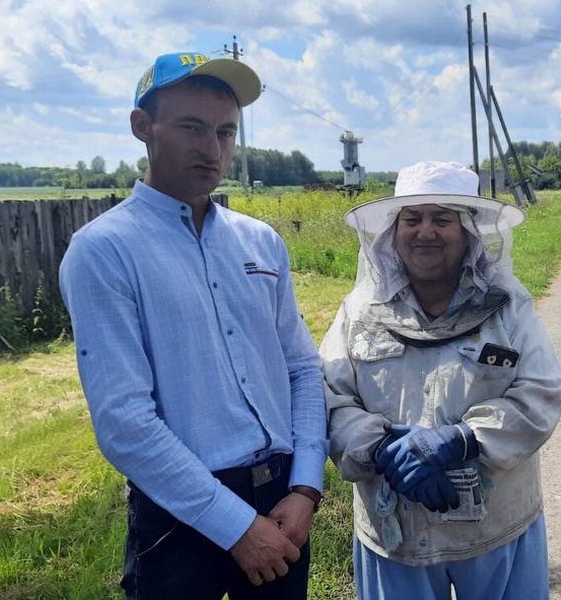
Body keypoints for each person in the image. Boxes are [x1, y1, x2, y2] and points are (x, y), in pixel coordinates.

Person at [59, 51, 326, 599]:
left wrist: (305, 486)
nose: (212, 149)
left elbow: (301, 368)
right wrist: (236, 526)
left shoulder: (260, 242)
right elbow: (125, 421)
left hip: (280, 500)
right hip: (180, 511)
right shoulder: (105, 251)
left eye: (226, 132)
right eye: (191, 128)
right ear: (142, 127)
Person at [321, 160, 561, 599]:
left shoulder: (508, 306)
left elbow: (541, 392)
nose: (425, 231)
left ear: (468, 232)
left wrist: (462, 439)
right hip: (393, 532)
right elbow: (328, 398)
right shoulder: (360, 312)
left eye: (442, 219)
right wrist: (380, 448)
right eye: (411, 219)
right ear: (392, 233)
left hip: (496, 528)